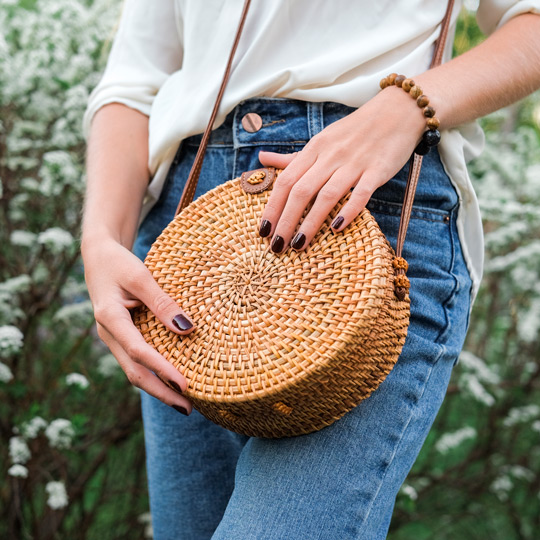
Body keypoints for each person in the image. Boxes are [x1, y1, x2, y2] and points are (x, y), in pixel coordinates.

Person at [81, 1, 540, 538]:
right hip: (188, 239)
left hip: (363, 201)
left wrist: (407, 105)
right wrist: (100, 241)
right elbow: (135, 82)